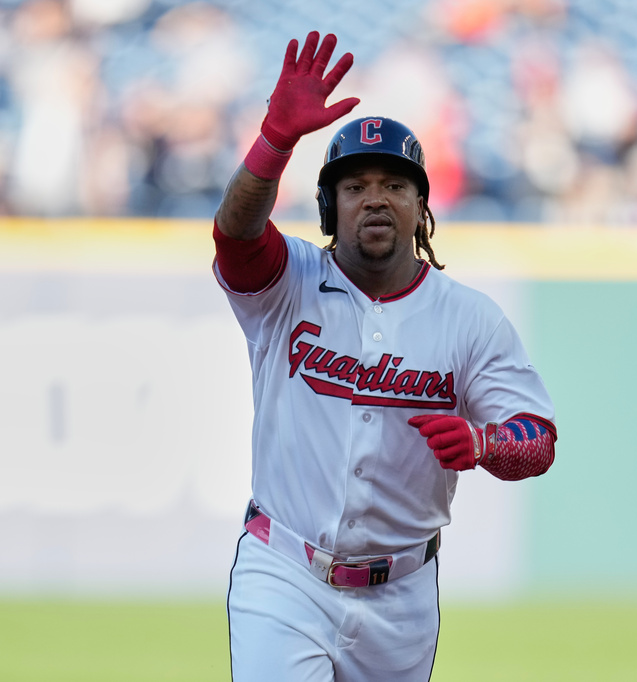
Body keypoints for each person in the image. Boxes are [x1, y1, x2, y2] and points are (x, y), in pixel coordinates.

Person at [212, 32, 557, 681]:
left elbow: (536, 438)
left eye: (395, 184)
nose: (375, 197)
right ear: (329, 208)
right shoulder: (288, 285)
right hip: (285, 572)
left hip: (401, 599)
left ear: (422, 207)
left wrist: (486, 443)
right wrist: (274, 143)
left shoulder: (468, 318)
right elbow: (234, 237)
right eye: (355, 185)